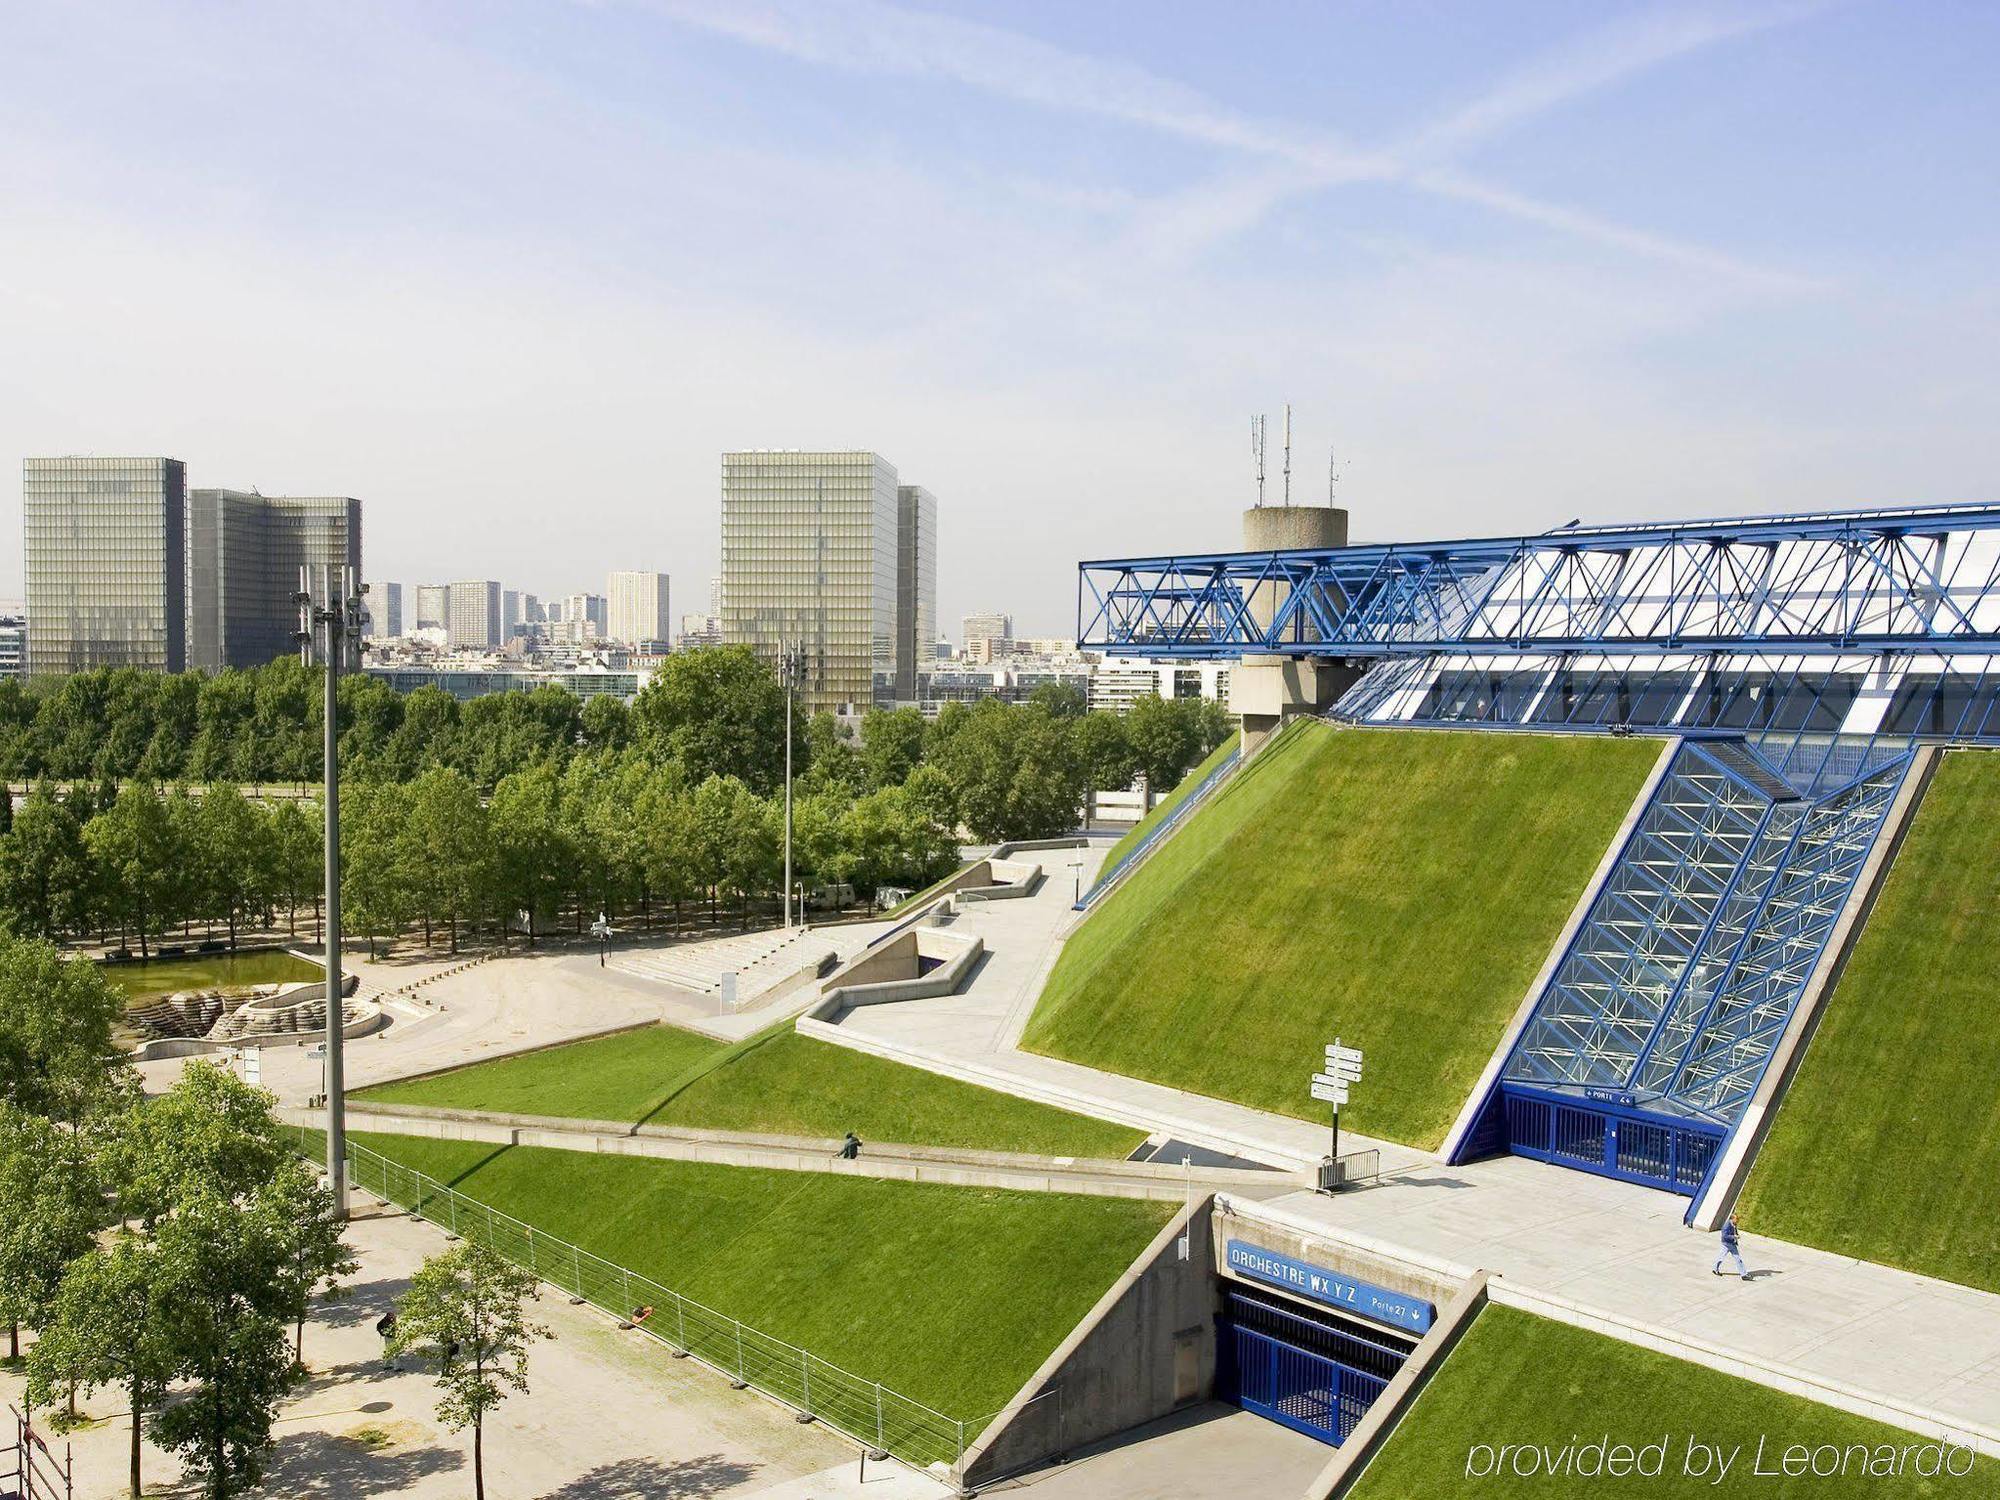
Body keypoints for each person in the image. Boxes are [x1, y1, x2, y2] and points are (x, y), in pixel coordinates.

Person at [1713, 1212, 1749, 1279]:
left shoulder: (1734, 1224)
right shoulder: (1726, 1226)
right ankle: (1743, 1275)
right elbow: (1724, 1236)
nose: (1737, 1221)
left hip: (1730, 1243)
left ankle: (1715, 1269)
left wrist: (1736, 1235)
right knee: (1737, 1259)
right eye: (1736, 1219)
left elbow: (1734, 1231)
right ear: (1732, 1219)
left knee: (1722, 1257)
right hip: (1727, 1244)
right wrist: (1734, 1236)